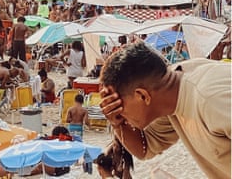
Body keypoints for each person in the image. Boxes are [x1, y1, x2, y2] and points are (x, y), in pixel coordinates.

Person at [99, 42, 231, 179]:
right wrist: (117, 124)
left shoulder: (211, 100)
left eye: (119, 108)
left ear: (142, 96)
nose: (120, 115)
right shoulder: (168, 93)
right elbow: (145, 148)